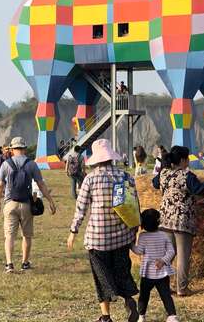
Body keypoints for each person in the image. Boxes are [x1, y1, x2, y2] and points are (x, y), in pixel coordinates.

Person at [67, 138, 139, 322]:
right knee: (122, 270)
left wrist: (73, 231)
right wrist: (134, 232)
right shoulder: (126, 176)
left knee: (101, 276)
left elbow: (81, 207)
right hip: (123, 236)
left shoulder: (91, 178)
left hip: (98, 238)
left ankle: (106, 316)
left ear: (96, 159)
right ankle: (129, 300)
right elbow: (134, 204)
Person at [156, 146, 204, 296]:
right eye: (187, 159)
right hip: (182, 220)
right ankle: (182, 288)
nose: (189, 162)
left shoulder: (164, 174)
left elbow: (156, 184)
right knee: (183, 255)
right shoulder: (187, 176)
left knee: (168, 254)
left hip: (165, 219)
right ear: (183, 160)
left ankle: (163, 286)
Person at [0, 136, 57, 273]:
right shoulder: (31, 164)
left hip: (10, 203)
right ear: (24, 149)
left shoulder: (6, 164)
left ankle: (9, 264)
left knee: (9, 236)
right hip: (26, 204)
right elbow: (41, 184)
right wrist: (50, 201)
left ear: (12, 149)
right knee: (26, 235)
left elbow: (0, 185)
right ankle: (25, 263)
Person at [130, 208, 178, 322]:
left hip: (147, 273)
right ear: (158, 222)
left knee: (143, 296)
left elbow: (139, 251)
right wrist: (163, 261)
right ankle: (172, 316)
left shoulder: (142, 236)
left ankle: (141, 316)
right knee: (166, 295)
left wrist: (130, 244)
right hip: (162, 273)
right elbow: (172, 252)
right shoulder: (164, 235)